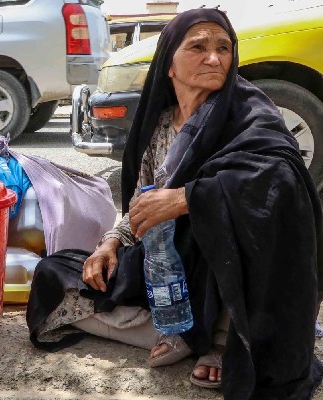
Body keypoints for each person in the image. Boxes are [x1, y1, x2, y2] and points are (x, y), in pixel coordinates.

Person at [26, 8, 323, 399]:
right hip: (164, 264)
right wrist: (110, 242)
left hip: (225, 265)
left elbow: (280, 181)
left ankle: (220, 338)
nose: (214, 58)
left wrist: (186, 199)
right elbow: (143, 202)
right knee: (54, 274)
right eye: (198, 47)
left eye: (223, 48)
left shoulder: (250, 114)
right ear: (169, 63)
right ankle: (180, 328)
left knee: (230, 235)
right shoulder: (162, 123)